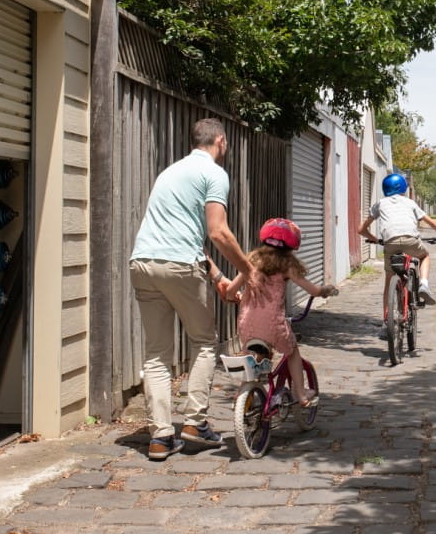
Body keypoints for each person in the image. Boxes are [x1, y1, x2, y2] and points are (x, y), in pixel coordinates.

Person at [130, 118, 263, 460]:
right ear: (220, 141)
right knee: (204, 342)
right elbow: (217, 232)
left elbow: (187, 236)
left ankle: (160, 437)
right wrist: (248, 270)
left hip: (143, 262)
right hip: (179, 266)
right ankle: (195, 423)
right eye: (226, 143)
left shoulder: (170, 172)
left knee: (157, 354)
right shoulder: (214, 173)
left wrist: (219, 278)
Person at [229, 218, 337, 407]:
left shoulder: (251, 260)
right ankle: (301, 394)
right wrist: (325, 290)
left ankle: (243, 394)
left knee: (252, 356)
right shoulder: (287, 264)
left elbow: (231, 289)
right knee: (292, 352)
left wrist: (236, 295)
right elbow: (313, 291)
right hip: (273, 324)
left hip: (247, 324)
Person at [358, 173, 436, 334]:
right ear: (403, 188)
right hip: (411, 240)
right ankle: (423, 285)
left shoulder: (379, 204)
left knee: (388, 282)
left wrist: (375, 239)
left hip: (390, 243)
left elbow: (361, 230)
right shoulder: (410, 203)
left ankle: (386, 322)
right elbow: (433, 223)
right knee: (424, 256)